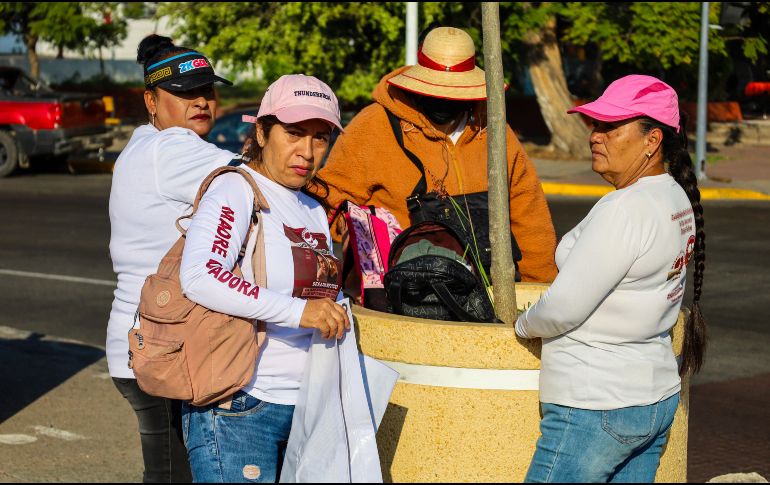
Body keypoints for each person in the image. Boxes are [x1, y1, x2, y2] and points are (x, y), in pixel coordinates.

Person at [515, 74, 706, 483]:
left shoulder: (625, 208)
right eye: (596, 124)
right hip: (653, 398)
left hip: (595, 403)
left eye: (611, 126)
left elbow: (564, 307)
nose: (595, 136)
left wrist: (522, 324)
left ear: (652, 140)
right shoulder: (675, 197)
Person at [177, 74, 351, 483]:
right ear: (261, 132)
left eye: (320, 137)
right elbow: (201, 274)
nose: (307, 151)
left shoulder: (312, 207)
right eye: (293, 133)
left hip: (307, 405)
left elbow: (318, 296)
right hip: (242, 405)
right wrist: (299, 312)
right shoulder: (236, 189)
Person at [315, 25, 558, 283]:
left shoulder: (495, 130)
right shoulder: (373, 124)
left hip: (487, 291)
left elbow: (530, 220)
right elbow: (330, 201)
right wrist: (359, 233)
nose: (444, 98)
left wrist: (539, 291)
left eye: (454, 93)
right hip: (399, 291)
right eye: (435, 90)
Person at [107, 34, 237, 482]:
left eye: (207, 90)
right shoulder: (172, 148)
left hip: (148, 340)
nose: (200, 101)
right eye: (184, 93)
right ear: (151, 100)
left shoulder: (145, 144)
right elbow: (261, 179)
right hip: (161, 346)